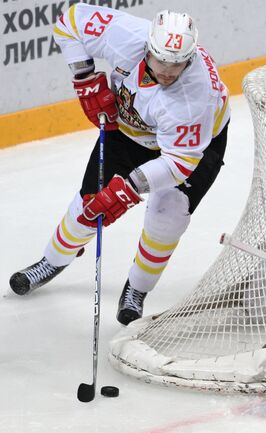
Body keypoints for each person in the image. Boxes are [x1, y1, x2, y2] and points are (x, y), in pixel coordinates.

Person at [9, 4, 230, 326]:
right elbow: (70, 22)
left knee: (168, 215)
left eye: (178, 63)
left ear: (191, 56)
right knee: (87, 206)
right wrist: (84, 76)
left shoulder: (195, 96)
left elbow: (179, 163)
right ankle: (52, 261)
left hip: (196, 146)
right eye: (161, 61)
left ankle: (137, 290)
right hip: (127, 130)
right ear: (148, 48)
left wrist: (125, 190)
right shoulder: (126, 36)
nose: (169, 70)